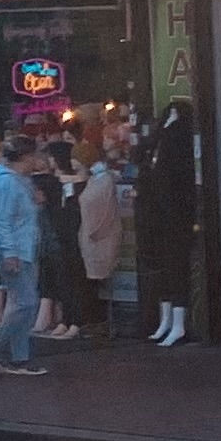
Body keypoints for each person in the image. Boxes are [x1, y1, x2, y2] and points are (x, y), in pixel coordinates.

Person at [0, 132, 51, 377]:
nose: (37, 160)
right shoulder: (8, 183)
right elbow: (3, 222)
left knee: (24, 304)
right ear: (26, 157)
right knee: (26, 302)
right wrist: (10, 252)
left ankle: (20, 357)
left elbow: (11, 218)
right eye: (34, 155)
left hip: (21, 249)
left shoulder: (16, 180)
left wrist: (36, 204)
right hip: (13, 251)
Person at [133, 101, 200, 344]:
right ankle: (166, 319)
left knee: (176, 266)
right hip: (157, 213)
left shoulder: (178, 138)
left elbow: (181, 178)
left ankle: (178, 323)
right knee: (163, 267)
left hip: (175, 214)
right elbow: (141, 158)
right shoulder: (158, 138)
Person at [75, 131, 129, 336]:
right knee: (95, 280)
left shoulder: (105, 181)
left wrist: (96, 232)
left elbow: (107, 211)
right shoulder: (93, 180)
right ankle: (99, 320)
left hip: (102, 237)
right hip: (90, 237)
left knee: (104, 277)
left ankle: (107, 321)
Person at [34, 141, 87, 340]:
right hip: (59, 235)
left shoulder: (73, 182)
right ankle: (66, 319)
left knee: (74, 277)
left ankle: (76, 320)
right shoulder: (53, 183)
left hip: (73, 234)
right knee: (63, 277)